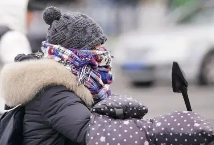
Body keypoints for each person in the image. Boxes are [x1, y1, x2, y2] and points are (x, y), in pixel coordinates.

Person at [0, 6, 213, 145]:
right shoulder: (52, 90)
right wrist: (164, 128)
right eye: (97, 47)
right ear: (78, 52)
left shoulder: (78, 80)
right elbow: (93, 132)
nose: (103, 54)